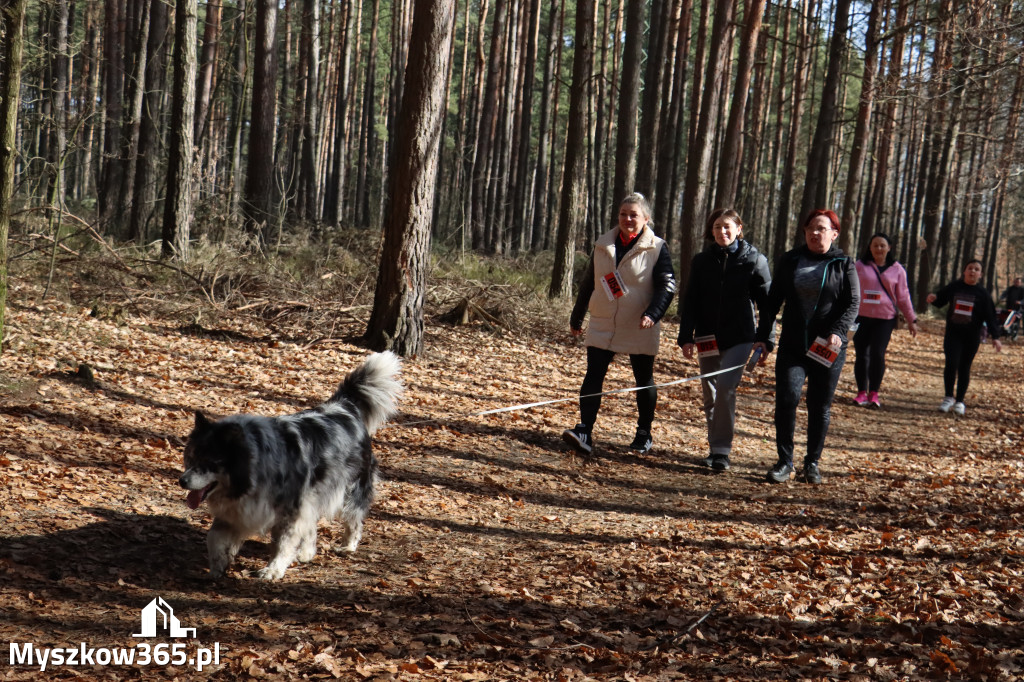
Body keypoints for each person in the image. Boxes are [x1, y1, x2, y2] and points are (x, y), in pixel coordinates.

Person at [562, 192, 677, 455]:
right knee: (594, 374)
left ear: (645, 219)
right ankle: (584, 431)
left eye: (634, 215)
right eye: (623, 214)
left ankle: (643, 433)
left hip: (639, 322)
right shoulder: (603, 244)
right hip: (603, 319)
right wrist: (577, 316)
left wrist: (653, 313)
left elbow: (668, 285)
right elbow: (590, 282)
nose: (628, 219)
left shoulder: (657, 247)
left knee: (643, 378)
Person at [752, 209, 860, 485]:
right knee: (787, 398)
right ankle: (784, 462)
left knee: (819, 405)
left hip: (828, 346)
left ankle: (812, 462)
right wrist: (764, 337)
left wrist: (837, 331)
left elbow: (852, 303)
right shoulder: (790, 260)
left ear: (834, 234)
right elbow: (772, 301)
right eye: (811, 228)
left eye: (822, 228)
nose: (815, 233)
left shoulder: (843, 263)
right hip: (794, 345)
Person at [677, 208, 772, 472]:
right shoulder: (702, 261)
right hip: (707, 337)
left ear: (739, 229)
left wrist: (766, 339)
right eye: (717, 227)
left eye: (728, 226)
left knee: (726, 388)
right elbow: (691, 300)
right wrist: (685, 336)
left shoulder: (754, 260)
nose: (722, 232)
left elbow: (767, 305)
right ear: (712, 231)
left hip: (740, 337)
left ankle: (722, 451)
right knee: (710, 394)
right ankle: (715, 449)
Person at [926, 260, 1002, 416]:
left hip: (972, 336)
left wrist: (996, 337)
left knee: (964, 367)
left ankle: (960, 401)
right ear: (964, 271)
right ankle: (948, 398)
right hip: (953, 334)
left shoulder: (983, 294)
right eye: (970, 268)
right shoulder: (955, 287)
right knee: (951, 364)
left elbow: (991, 316)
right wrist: (933, 298)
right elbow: (940, 300)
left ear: (980, 274)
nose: (972, 271)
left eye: (976, 269)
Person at [852, 233, 918, 408]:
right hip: (861, 317)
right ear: (870, 248)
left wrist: (912, 319)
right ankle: (861, 393)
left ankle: (874, 393)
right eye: (875, 245)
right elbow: (849, 289)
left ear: (889, 248)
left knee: (877, 354)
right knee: (861, 355)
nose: (879, 249)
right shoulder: (859, 266)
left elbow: (903, 297)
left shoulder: (897, 270)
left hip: (885, 318)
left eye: (882, 245)